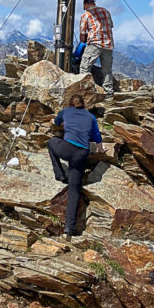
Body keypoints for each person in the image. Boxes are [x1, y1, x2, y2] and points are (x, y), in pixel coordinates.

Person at [48, 93, 103, 238]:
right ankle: (69, 228)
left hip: (66, 148)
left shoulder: (66, 111)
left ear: (70, 104)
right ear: (84, 104)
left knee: (51, 142)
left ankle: (59, 173)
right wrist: (101, 149)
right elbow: (96, 135)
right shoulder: (90, 117)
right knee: (74, 189)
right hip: (81, 154)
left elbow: (57, 121)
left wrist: (64, 123)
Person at [78, 0, 114, 97]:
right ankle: (109, 93)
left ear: (85, 5)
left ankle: (85, 92)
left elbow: (82, 35)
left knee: (84, 67)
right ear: (94, 2)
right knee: (107, 70)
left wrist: (84, 40)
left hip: (95, 44)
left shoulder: (86, 15)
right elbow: (110, 26)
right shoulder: (106, 11)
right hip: (108, 44)